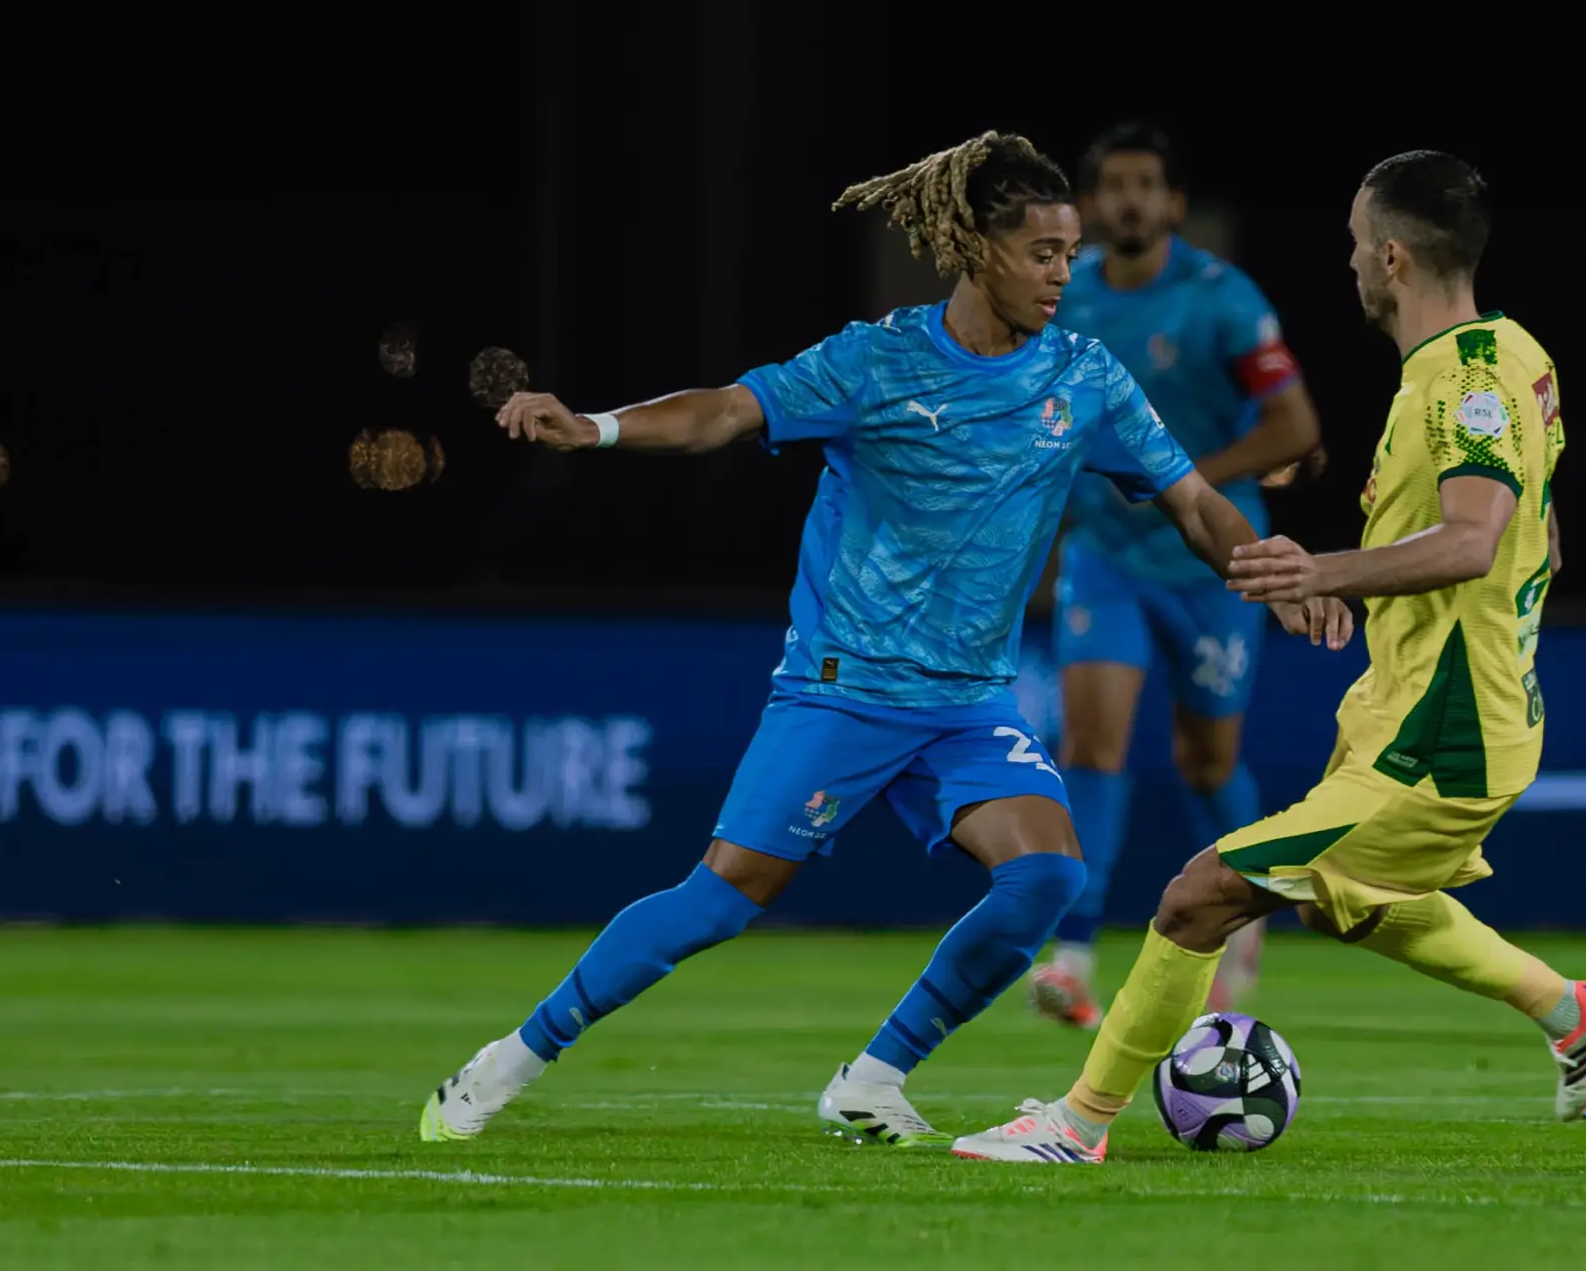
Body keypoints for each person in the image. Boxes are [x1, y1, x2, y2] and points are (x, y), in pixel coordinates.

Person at [417, 131, 1350, 1149]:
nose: (1061, 274)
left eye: (1068, 253)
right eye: (1042, 253)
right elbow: (724, 412)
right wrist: (593, 426)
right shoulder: (876, 361)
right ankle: (510, 1059)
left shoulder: (1084, 376)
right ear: (976, 249)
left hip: (967, 704)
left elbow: (1194, 502)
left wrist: (1276, 576)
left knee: (1047, 877)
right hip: (843, 687)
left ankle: (871, 1078)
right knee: (722, 900)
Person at [954, 151, 1586, 1166]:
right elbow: (1540, 538)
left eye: (1357, 244)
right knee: (1353, 905)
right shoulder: (1511, 354)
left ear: (1393, 257)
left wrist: (1327, 572)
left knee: (1197, 897)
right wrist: (1377, 593)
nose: (1350, 261)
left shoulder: (1467, 380)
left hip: (1441, 734)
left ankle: (1078, 1125)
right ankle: (1572, 1010)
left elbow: (1473, 540)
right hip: (1421, 709)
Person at [1030, 123, 1323, 1031]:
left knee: (1208, 760)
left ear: (1174, 203)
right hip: (1106, 557)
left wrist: (1181, 478)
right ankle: (1072, 955)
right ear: (1089, 206)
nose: (1129, 200)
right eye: (1113, 186)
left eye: (1145, 185)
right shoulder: (1065, 297)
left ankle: (1244, 924)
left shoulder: (1220, 298)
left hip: (1211, 560)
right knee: (1092, 744)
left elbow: (1294, 428)